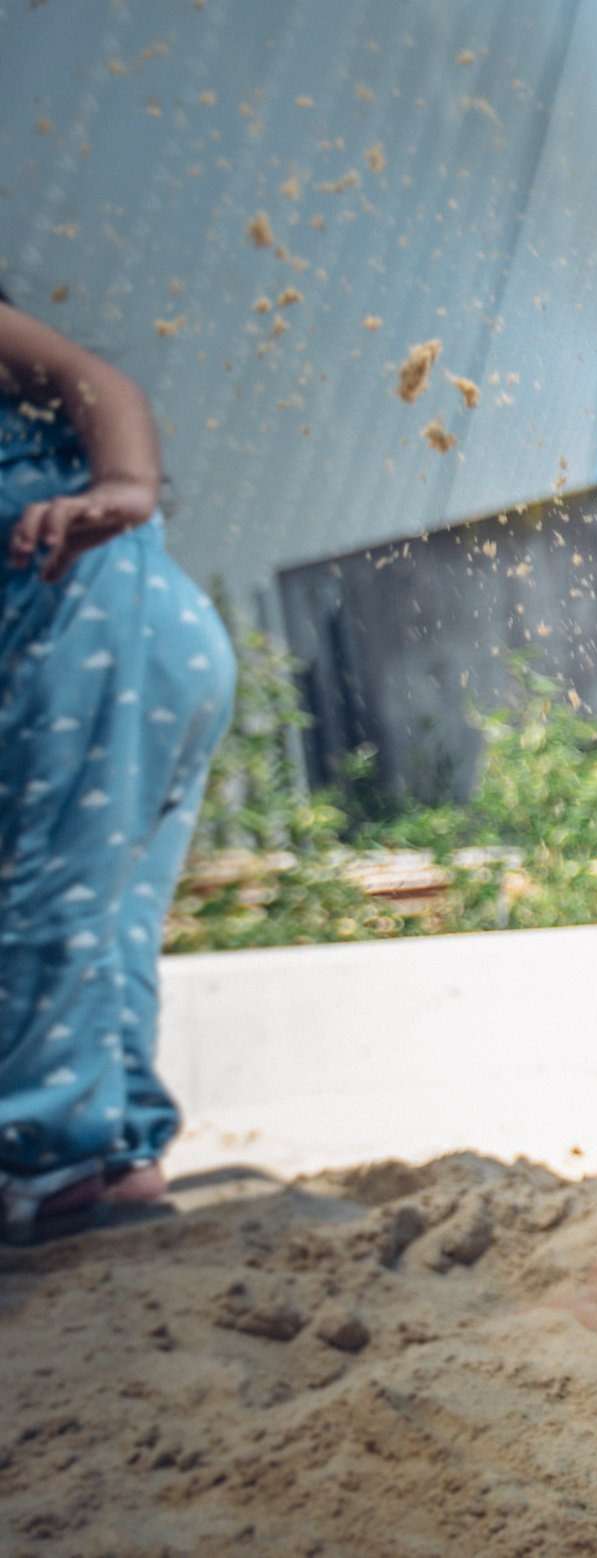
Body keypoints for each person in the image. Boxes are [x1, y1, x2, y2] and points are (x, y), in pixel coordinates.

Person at [0, 287, 234, 1243]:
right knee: (108, 917)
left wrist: (128, 485)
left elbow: (91, 378)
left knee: (48, 898)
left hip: (86, 622)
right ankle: (123, 1156)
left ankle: (52, 1159)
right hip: (139, 637)